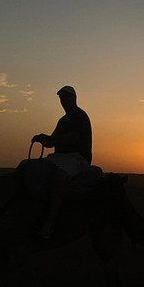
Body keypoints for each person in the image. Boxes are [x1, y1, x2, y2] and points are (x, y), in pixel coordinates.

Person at [32, 85, 92, 238]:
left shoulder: (80, 116)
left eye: (66, 97)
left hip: (76, 157)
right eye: (61, 97)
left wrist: (50, 139)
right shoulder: (63, 120)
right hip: (59, 157)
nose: (63, 100)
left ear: (74, 98)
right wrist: (42, 139)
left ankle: (51, 220)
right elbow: (52, 142)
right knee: (33, 169)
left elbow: (73, 138)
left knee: (59, 176)